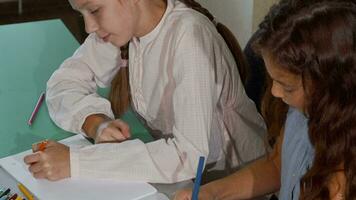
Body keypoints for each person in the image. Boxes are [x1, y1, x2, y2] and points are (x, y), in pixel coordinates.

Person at [23, 0, 266, 183]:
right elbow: (63, 82)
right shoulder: (125, 28)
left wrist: (75, 162)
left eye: (94, 10)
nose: (88, 26)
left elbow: (189, 155)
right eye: (82, 13)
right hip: (182, 181)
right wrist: (94, 122)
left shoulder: (189, 38)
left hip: (237, 183)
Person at [174, 0, 356, 199]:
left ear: (331, 83)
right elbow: (278, 165)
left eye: (287, 86)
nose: (276, 92)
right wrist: (211, 192)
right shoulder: (299, 108)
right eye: (273, 80)